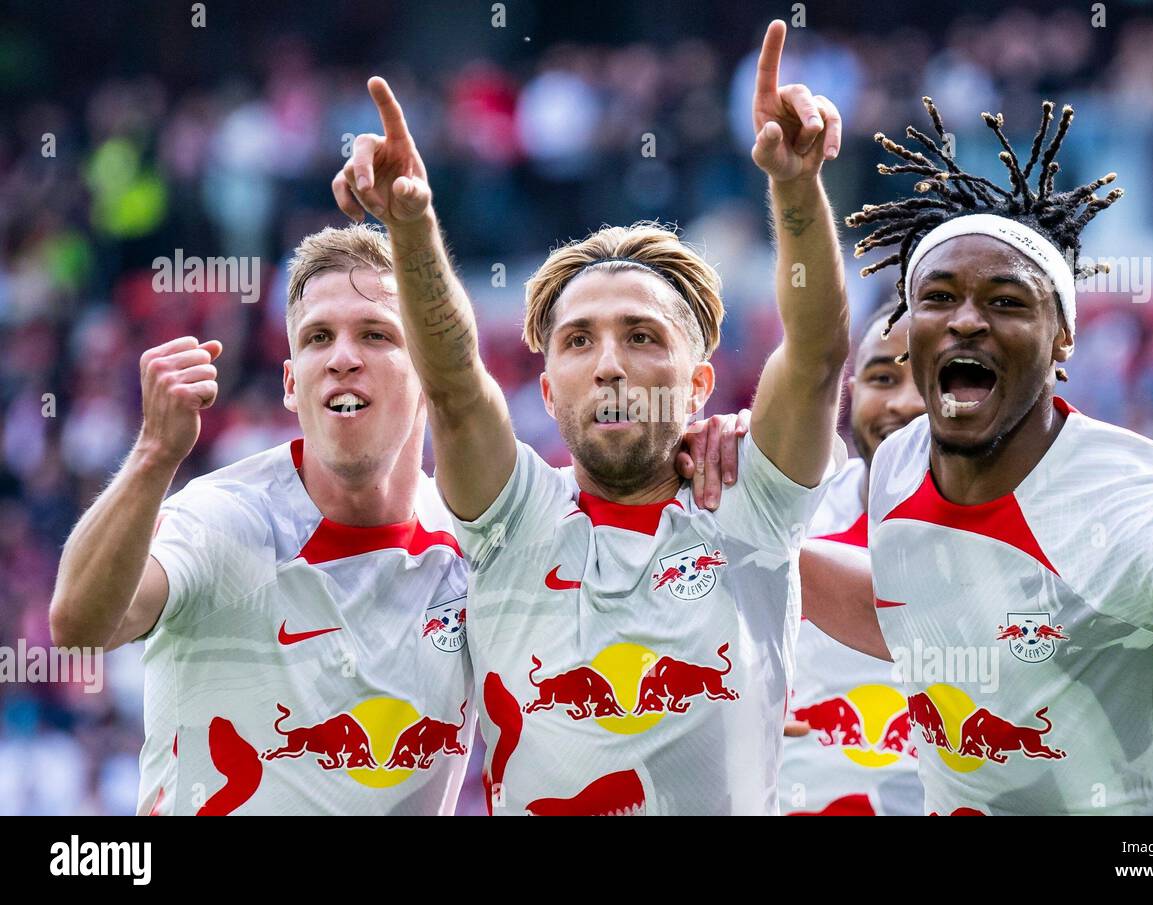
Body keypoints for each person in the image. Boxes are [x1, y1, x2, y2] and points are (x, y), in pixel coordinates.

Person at [48, 224, 742, 815]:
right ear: (292, 383)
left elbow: (622, 511)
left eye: (376, 334)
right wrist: (151, 456)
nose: (342, 357)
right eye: (317, 338)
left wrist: (709, 436)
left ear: (427, 374)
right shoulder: (224, 518)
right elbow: (80, 624)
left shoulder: (487, 541)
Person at [333, 19, 849, 814]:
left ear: (700, 383)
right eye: (577, 340)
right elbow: (456, 389)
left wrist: (795, 186)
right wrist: (410, 227)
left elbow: (815, 355)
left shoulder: (751, 504)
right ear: (545, 391)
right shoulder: (513, 523)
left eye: (642, 336)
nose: (608, 361)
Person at [849, 97, 1153, 814]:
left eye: (1006, 301)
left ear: (1063, 341)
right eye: (938, 297)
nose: (966, 319)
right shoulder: (899, 463)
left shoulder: (1143, 505)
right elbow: (903, 607)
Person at [781, 304, 927, 816]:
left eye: (935, 377)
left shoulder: (1039, 547)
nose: (906, 403)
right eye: (882, 377)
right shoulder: (784, 519)